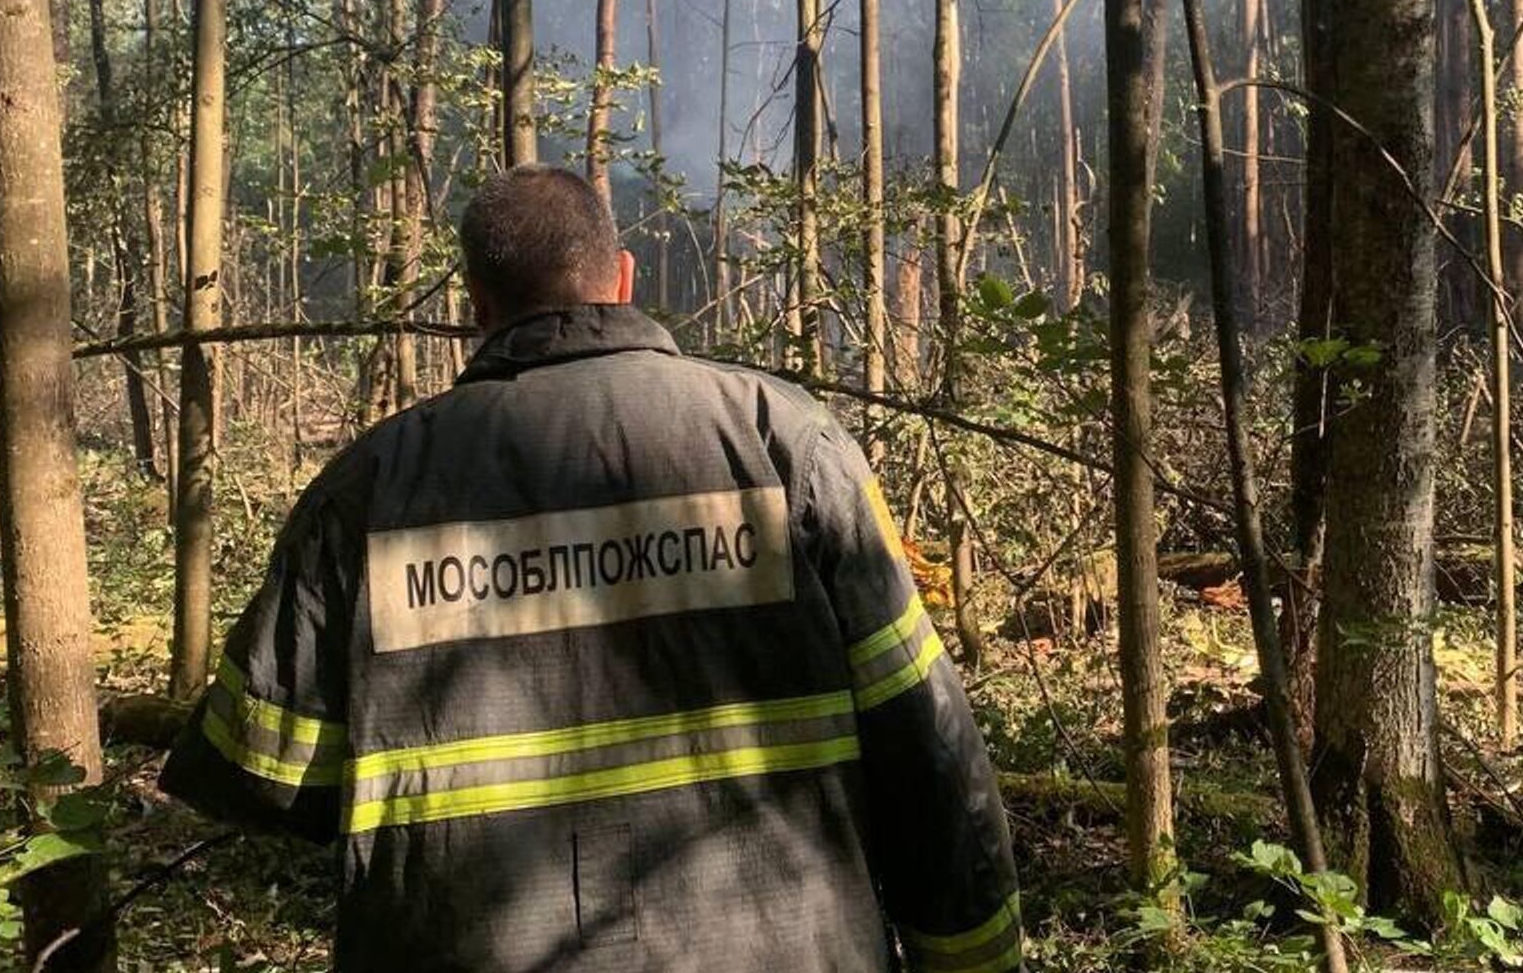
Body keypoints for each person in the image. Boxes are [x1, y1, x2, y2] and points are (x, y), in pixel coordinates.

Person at [159, 164, 1021, 973]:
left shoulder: (371, 490)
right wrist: (971, 955)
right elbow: (927, 747)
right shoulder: (783, 441)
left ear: (477, 304)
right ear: (624, 276)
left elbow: (262, 772)